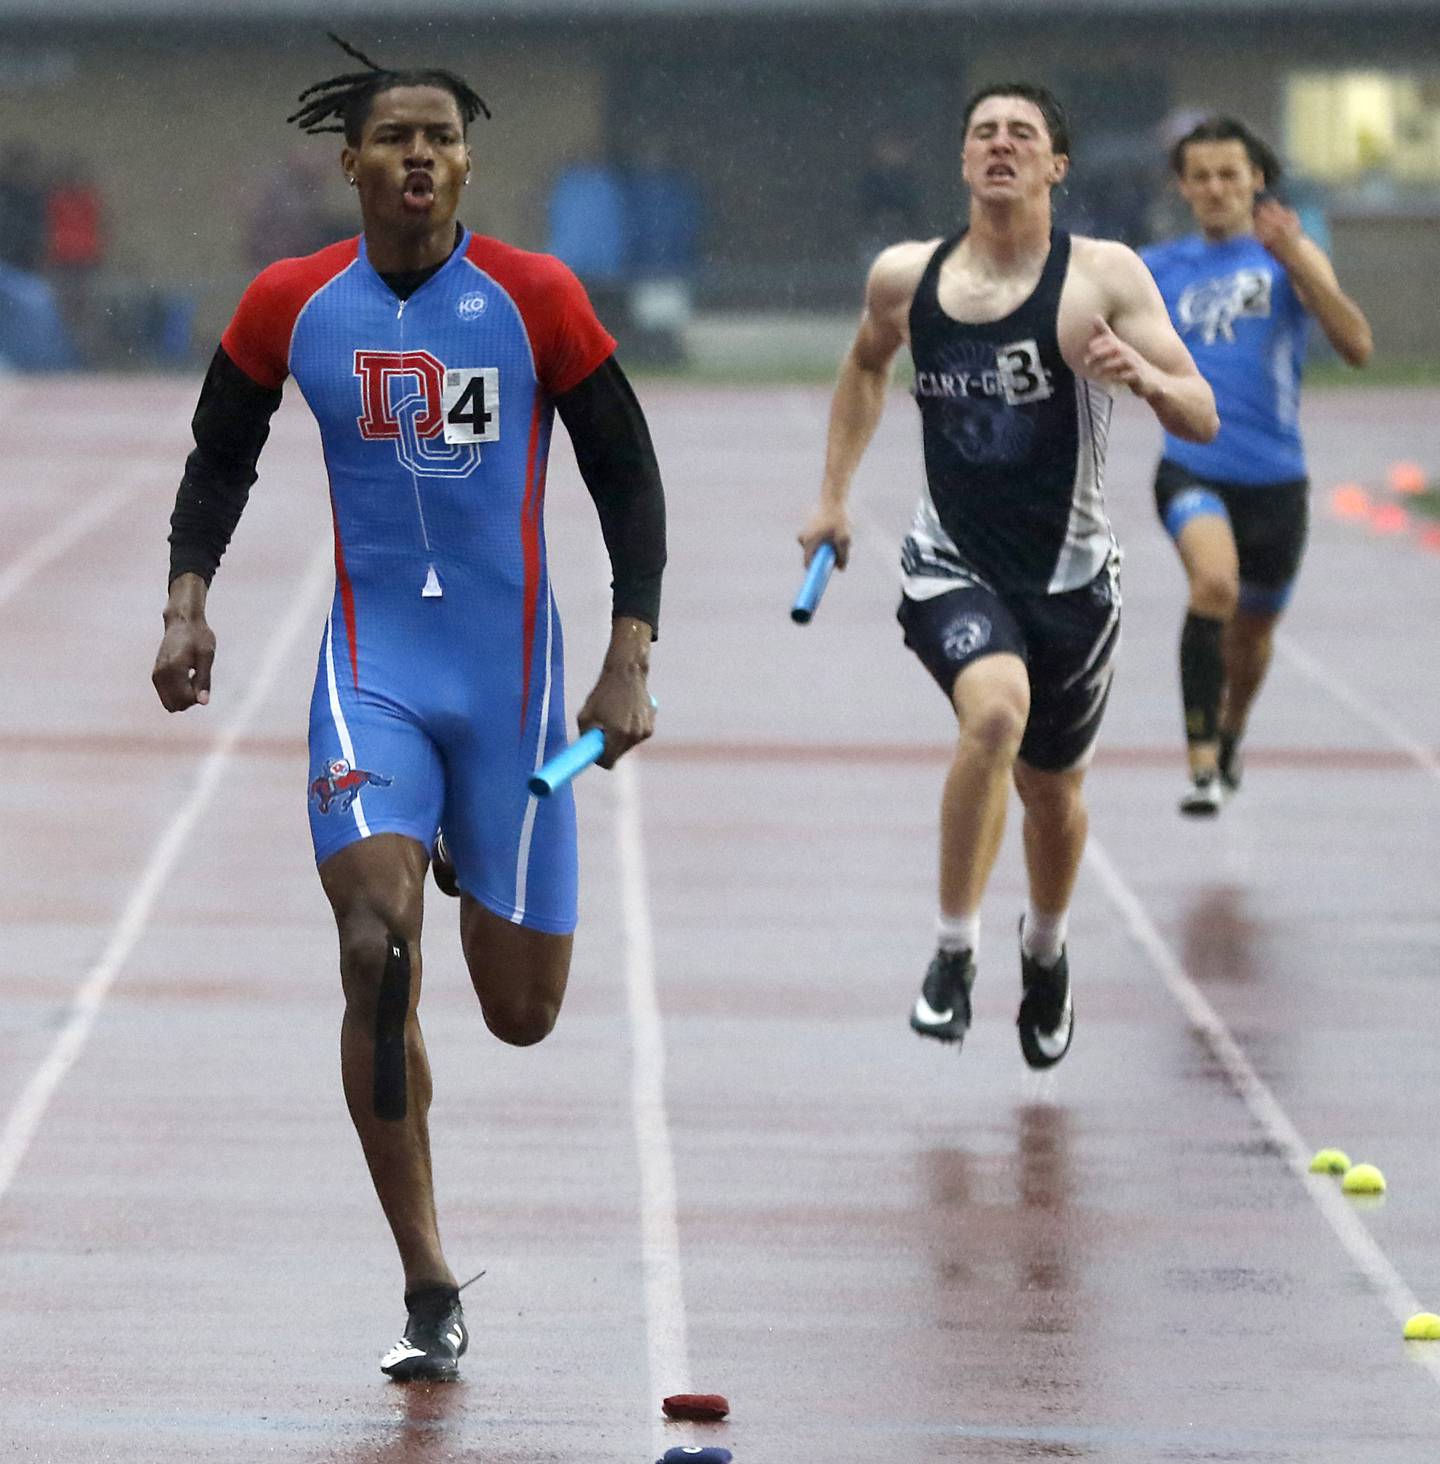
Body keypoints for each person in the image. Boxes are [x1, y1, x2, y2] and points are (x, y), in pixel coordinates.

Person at [150, 37, 665, 1382]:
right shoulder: (289, 303)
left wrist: (630, 658)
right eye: (396, 139)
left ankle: (467, 832)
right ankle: (429, 1277)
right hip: (373, 676)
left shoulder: (537, 299)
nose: (420, 156)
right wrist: (186, 601)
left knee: (521, 1013)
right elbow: (221, 450)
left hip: (515, 694)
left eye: (442, 137)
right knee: (377, 946)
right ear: (354, 164)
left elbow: (627, 477)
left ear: (467, 162)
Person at [798, 82, 1216, 1065]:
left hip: (1072, 580)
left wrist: (1146, 379)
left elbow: (1199, 412)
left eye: (1020, 134)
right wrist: (833, 497)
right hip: (952, 564)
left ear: (1054, 166)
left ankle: (1047, 947)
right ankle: (953, 952)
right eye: (982, 132)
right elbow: (865, 367)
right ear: (961, 161)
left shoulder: (1102, 279)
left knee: (1052, 796)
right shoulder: (906, 277)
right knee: (991, 716)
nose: (1000, 145)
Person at [1141, 118, 1371, 814]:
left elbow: (1357, 346)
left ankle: (1234, 730)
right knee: (1213, 585)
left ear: (1255, 181)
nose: (1215, 189)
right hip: (1191, 467)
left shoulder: (1289, 257)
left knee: (1254, 633)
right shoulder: (1157, 267)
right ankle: (1202, 762)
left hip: (1275, 479)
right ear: (1183, 186)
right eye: (1201, 177)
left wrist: (1297, 259)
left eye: (1228, 175)